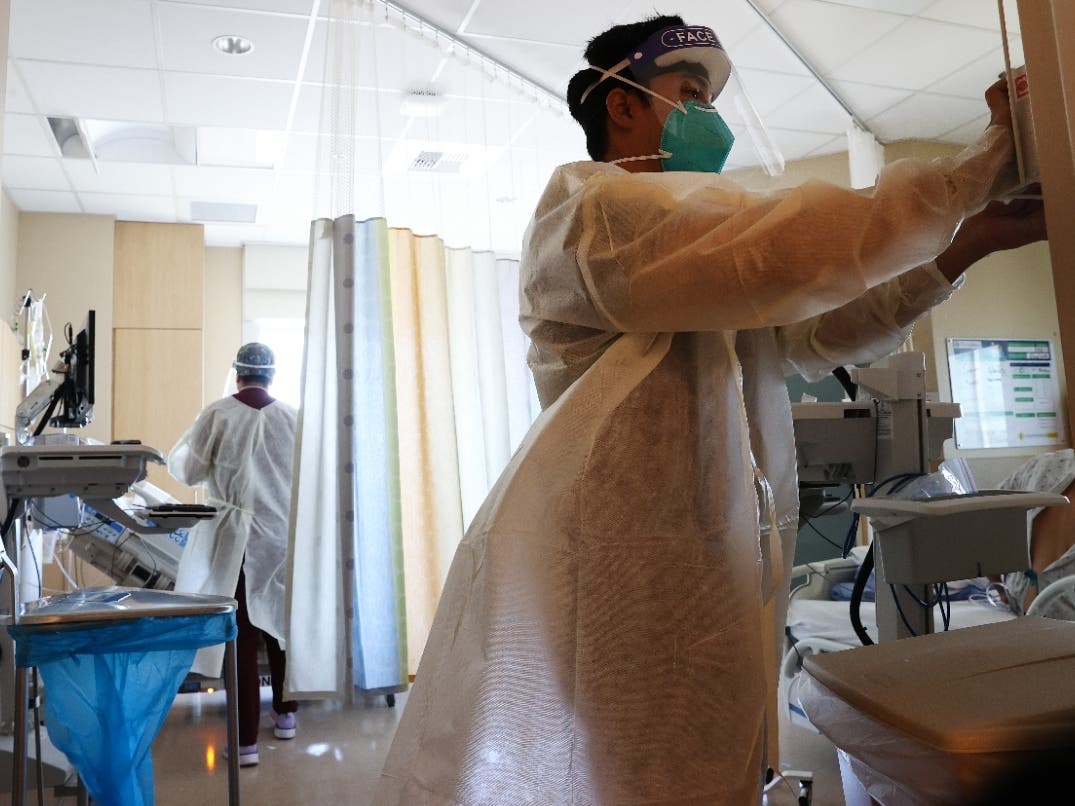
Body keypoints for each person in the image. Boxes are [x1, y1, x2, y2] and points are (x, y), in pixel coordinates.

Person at [375, 14, 1047, 805]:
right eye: (689, 92)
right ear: (622, 103)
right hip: (623, 560)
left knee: (709, 761)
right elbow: (788, 248)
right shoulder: (592, 214)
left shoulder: (695, 260)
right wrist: (981, 164)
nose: (709, 118)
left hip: (708, 553)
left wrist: (967, 243)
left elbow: (817, 332)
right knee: (645, 773)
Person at [168, 343, 299, 768]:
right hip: (280, 536)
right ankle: (287, 716)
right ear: (271, 375)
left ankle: (245, 742)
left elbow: (190, 471)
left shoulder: (218, 414)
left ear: (237, 373)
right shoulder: (293, 418)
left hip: (236, 539)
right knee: (280, 627)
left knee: (240, 634)